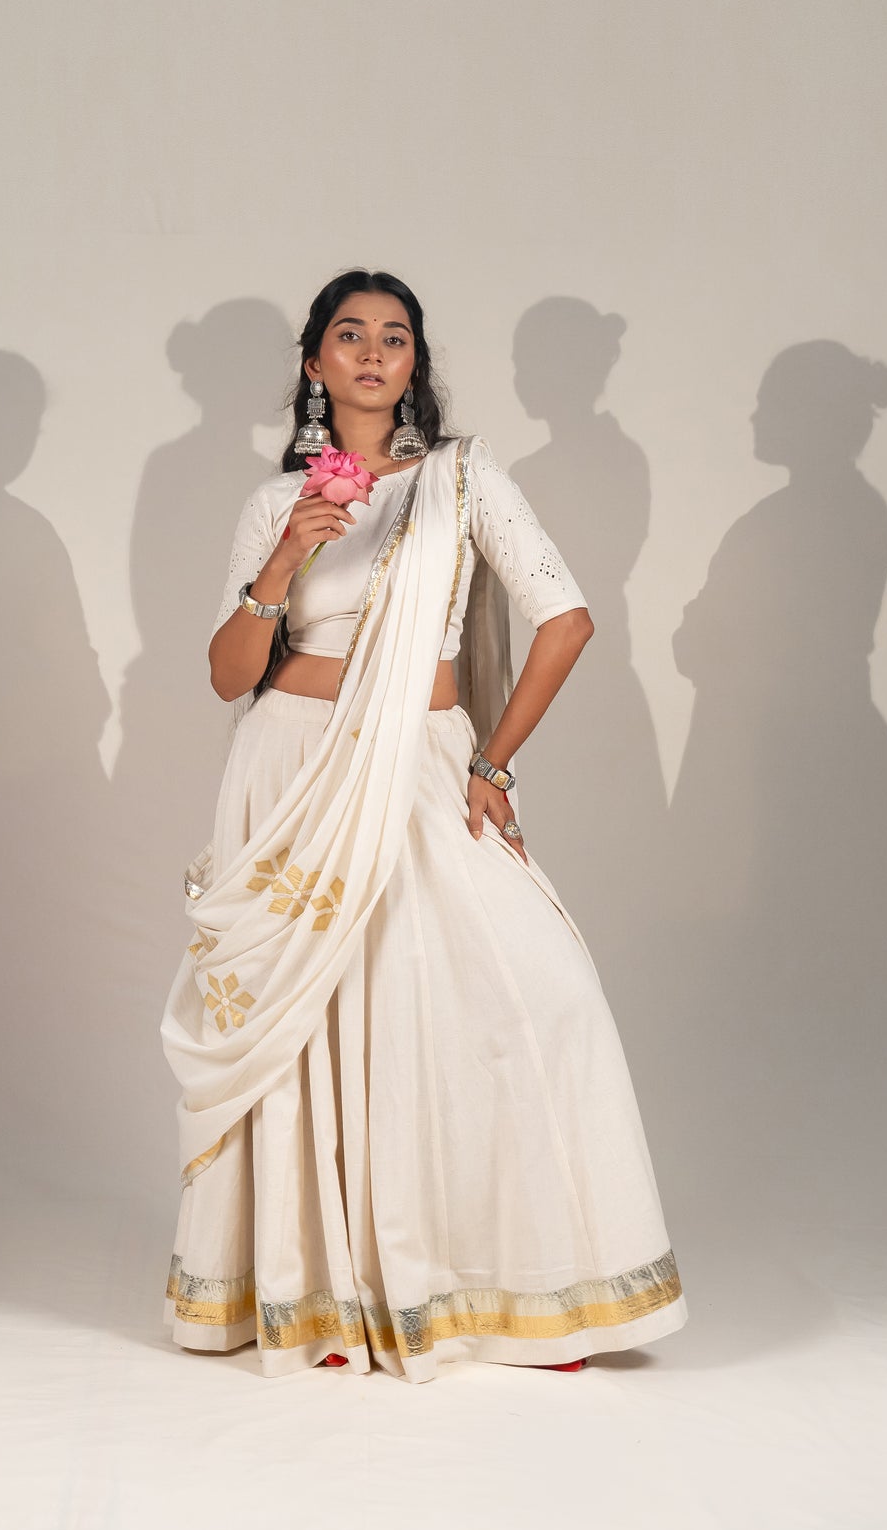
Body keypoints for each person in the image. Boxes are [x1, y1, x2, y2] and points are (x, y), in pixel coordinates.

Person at [159, 267, 688, 1383]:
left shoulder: (463, 478)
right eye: (349, 335)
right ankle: (323, 1295)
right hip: (293, 770)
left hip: (419, 761)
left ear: (415, 363)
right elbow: (228, 675)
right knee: (323, 1023)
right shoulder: (274, 502)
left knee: (526, 997)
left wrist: (493, 762)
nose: (371, 353)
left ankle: (529, 1288)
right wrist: (286, 556)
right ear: (314, 362)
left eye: (393, 337)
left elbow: (567, 618)